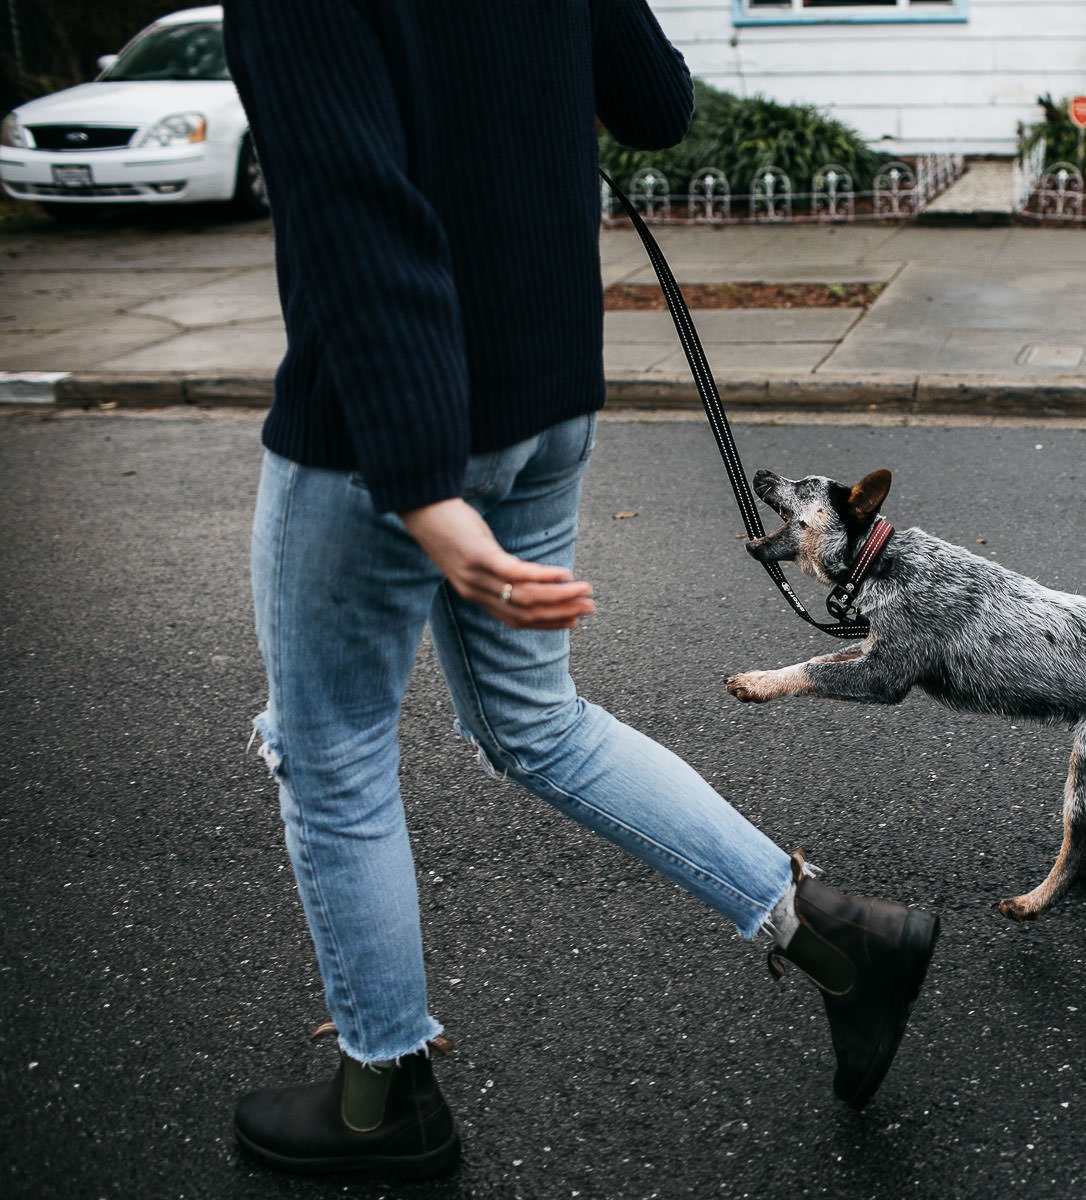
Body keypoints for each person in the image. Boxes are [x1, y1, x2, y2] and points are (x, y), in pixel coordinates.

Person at [222, 0, 939, 1178]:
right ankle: (830, 937)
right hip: (548, 390)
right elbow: (656, 101)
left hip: (384, 433)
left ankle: (380, 1098)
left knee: (333, 748)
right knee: (535, 721)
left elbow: (347, 207)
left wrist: (418, 484)